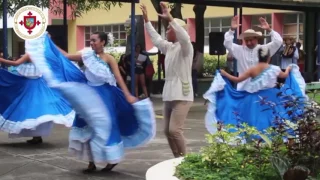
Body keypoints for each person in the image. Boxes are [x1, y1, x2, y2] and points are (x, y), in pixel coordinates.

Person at [25, 31, 156, 173]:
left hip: (106, 96)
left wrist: (128, 95)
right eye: (90, 40)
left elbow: (118, 78)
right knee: (85, 125)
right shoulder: (86, 55)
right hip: (89, 94)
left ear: (103, 42)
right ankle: (91, 162)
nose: (91, 43)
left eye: (94, 40)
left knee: (106, 126)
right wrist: (50, 43)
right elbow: (67, 56)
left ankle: (112, 159)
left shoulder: (109, 58)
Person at [203, 46, 306, 135]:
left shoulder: (253, 69)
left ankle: (255, 137)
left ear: (258, 57)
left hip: (254, 98)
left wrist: (225, 74)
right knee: (274, 117)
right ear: (269, 58)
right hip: (272, 97)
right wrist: (288, 68)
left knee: (253, 119)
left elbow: (237, 79)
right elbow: (285, 75)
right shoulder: (275, 68)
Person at [141, 2, 193, 158]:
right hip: (169, 95)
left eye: (169, 28)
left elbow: (184, 37)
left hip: (182, 96)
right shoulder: (170, 47)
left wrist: (171, 18)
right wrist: (146, 20)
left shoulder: (186, 48)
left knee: (175, 130)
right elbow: (155, 39)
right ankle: (176, 158)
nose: (167, 30)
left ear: (177, 31)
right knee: (166, 131)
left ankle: (185, 160)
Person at [0, 53, 75, 144]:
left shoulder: (30, 53)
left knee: (29, 110)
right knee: (38, 110)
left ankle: (36, 136)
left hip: (31, 87)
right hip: (40, 85)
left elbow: (16, 63)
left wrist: (1, 60)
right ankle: (37, 136)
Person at [224, 15, 283, 90]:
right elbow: (227, 44)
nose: (248, 43)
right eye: (246, 40)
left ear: (256, 39)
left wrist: (269, 29)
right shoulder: (239, 50)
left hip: (262, 89)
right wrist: (231, 30)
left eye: (251, 40)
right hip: (244, 88)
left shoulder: (263, 49)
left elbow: (278, 41)